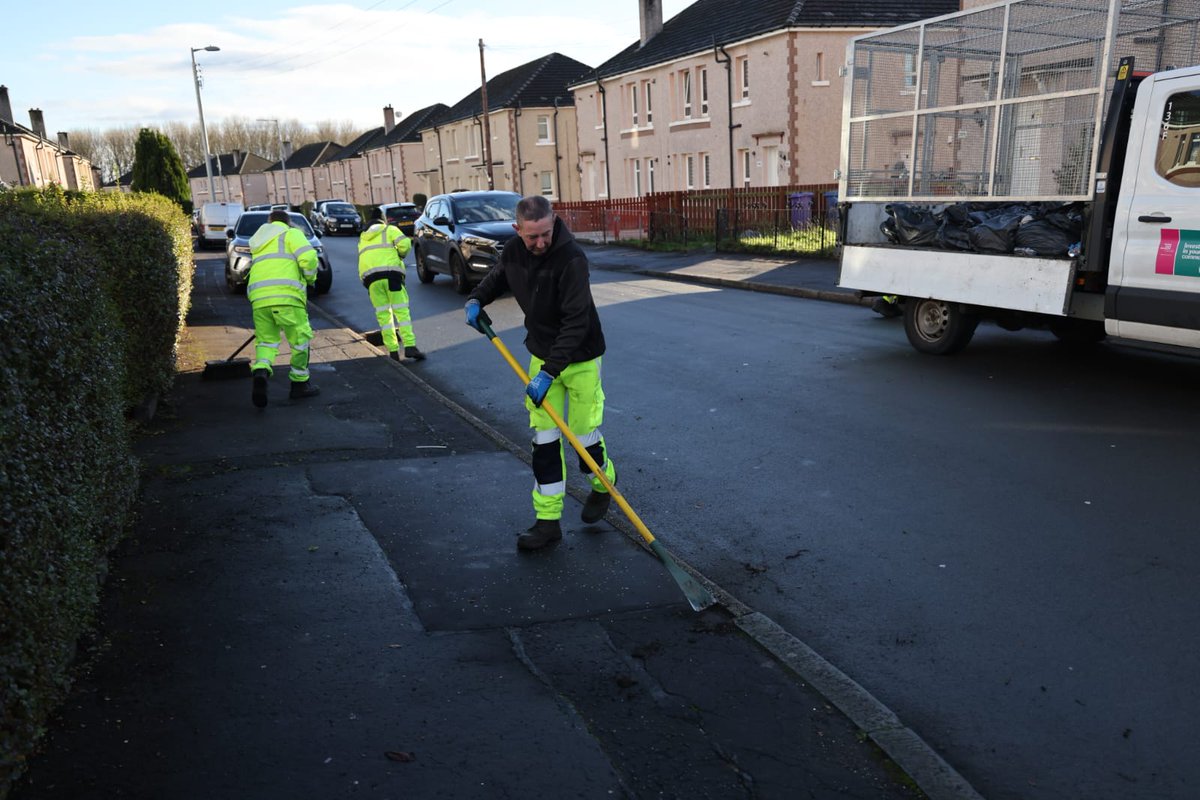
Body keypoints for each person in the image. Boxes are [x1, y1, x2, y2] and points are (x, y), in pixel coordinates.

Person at [464, 195, 617, 551]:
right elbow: (498, 277)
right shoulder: (516, 251)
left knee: (581, 435)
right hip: (541, 356)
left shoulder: (571, 258)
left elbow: (576, 322)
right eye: (532, 236)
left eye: (545, 234)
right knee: (544, 441)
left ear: (554, 222)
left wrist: (550, 372)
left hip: (579, 359)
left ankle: (603, 482)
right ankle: (547, 521)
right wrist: (476, 299)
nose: (540, 243)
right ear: (518, 230)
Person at [247, 209, 321, 408]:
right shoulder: (291, 233)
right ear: (287, 222)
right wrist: (310, 278)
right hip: (287, 296)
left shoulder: (258, 240)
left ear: (269, 222)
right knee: (300, 340)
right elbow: (309, 258)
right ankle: (299, 384)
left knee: (266, 341)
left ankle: (261, 369)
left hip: (259, 298)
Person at [357, 206, 425, 362]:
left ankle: (393, 352)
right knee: (401, 312)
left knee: (383, 315)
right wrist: (399, 256)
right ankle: (409, 346)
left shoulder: (362, 238)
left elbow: (362, 260)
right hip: (391, 276)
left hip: (371, 281)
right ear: (383, 219)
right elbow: (405, 245)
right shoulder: (389, 230)